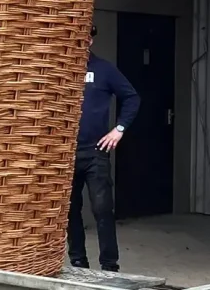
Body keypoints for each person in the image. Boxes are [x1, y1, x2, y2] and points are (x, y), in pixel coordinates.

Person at [68, 24, 140, 273]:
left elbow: (132, 97)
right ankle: (78, 262)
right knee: (70, 210)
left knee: (102, 209)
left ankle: (109, 265)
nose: (83, 41)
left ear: (90, 41)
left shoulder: (104, 69)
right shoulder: (61, 69)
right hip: (65, 154)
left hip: (95, 151)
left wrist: (118, 129)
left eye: (87, 37)